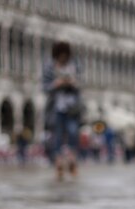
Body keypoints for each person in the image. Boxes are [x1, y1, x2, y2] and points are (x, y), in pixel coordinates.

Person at [42, 41, 83, 181]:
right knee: (57, 137)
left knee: (73, 133)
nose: (63, 58)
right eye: (61, 56)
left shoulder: (75, 66)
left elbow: (81, 84)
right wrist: (56, 83)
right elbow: (44, 87)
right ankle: (59, 164)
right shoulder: (50, 67)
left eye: (65, 56)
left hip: (72, 108)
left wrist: (73, 83)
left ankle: (72, 162)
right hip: (56, 108)